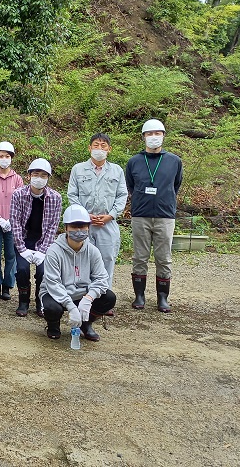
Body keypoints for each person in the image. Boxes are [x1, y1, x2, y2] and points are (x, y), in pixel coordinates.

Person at [125, 119, 183, 313]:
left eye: (157, 133)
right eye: (149, 134)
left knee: (164, 257)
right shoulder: (134, 161)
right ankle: (139, 296)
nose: (153, 137)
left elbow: (176, 185)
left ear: (163, 135)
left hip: (165, 215)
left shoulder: (174, 161)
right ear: (143, 137)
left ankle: (162, 298)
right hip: (140, 214)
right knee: (140, 256)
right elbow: (131, 186)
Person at [39, 205, 116, 341]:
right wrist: (70, 305)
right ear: (66, 228)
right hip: (56, 294)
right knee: (51, 308)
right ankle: (53, 324)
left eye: (83, 226)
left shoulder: (92, 251)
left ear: (88, 227)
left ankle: (86, 323)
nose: (79, 231)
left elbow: (102, 278)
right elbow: (53, 283)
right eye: (74, 227)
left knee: (109, 298)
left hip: (82, 293)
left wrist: (89, 298)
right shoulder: (54, 251)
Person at [67, 133, 128, 294]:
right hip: (83, 224)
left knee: (107, 259)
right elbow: (72, 195)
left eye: (103, 145)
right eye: (96, 145)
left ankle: (104, 298)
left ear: (109, 149)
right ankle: (83, 296)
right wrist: (84, 215)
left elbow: (122, 195)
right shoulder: (78, 169)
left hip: (107, 223)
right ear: (89, 148)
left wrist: (111, 215)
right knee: (82, 259)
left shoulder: (117, 171)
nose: (99, 148)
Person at [10, 158, 63, 318]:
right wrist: (22, 249)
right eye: (36, 174)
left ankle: (40, 302)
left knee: (43, 272)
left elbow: (53, 226)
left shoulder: (55, 197)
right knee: (22, 269)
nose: (39, 178)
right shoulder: (18, 195)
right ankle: (23, 301)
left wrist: (43, 251)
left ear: (48, 178)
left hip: (44, 242)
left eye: (43, 175)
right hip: (23, 241)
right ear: (29, 176)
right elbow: (15, 222)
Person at [0, 141, 23, 301]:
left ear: (11, 158)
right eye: (1, 156)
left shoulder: (17, 179)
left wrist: (11, 218)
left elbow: (21, 200)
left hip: (13, 223)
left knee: (10, 255)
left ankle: (7, 286)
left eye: (7, 156)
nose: (4, 159)